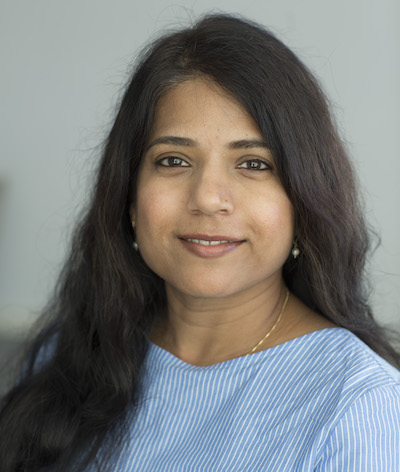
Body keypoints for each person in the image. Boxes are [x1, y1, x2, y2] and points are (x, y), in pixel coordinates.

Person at [0, 13, 399, 472]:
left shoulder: (359, 406)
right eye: (173, 160)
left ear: (304, 200)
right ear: (129, 195)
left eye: (253, 164)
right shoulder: (69, 357)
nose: (208, 198)